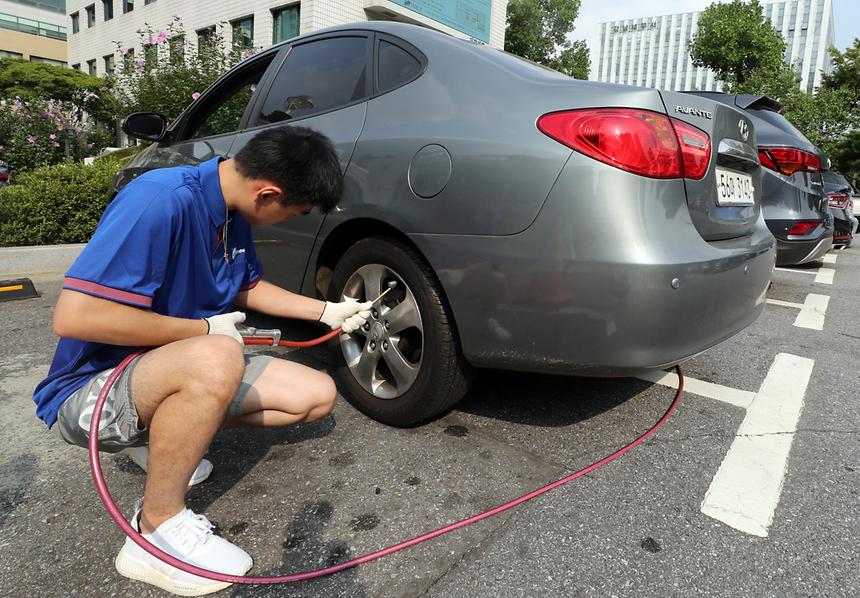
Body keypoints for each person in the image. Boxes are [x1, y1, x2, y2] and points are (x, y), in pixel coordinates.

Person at [32, 126, 372, 596]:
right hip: (92, 390)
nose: (286, 220)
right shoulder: (158, 200)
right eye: (291, 212)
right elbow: (75, 317)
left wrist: (326, 311)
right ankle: (153, 530)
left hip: (167, 366)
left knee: (314, 395)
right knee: (217, 355)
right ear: (268, 192)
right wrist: (204, 330)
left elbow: (244, 285)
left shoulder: (232, 213)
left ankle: (164, 436)